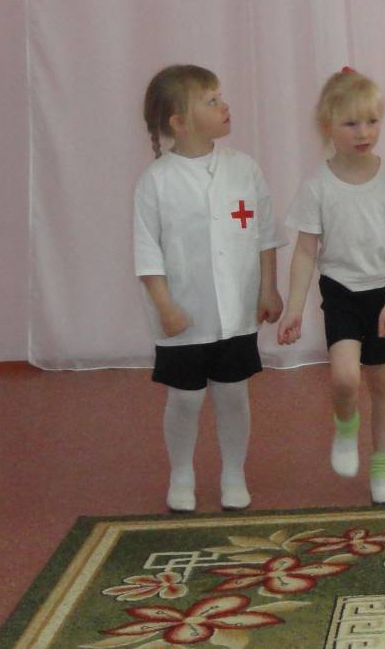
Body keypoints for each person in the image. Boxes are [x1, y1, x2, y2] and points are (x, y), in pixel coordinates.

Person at [134, 64, 282, 512]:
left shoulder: (244, 169)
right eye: (211, 101)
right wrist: (166, 307)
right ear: (180, 122)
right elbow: (147, 253)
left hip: (236, 311)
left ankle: (233, 474)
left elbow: (264, 235)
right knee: (186, 398)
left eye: (221, 97)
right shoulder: (156, 181)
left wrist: (268, 289)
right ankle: (181, 474)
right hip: (183, 314)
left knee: (233, 394)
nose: (224, 106)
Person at [278, 68, 385, 504]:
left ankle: (382, 468)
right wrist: (293, 307)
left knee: (383, 386)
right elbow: (305, 252)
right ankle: (346, 426)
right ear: (327, 126)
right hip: (340, 291)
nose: (363, 132)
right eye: (350, 123)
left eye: (371, 121)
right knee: (345, 377)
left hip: (382, 294)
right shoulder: (317, 185)